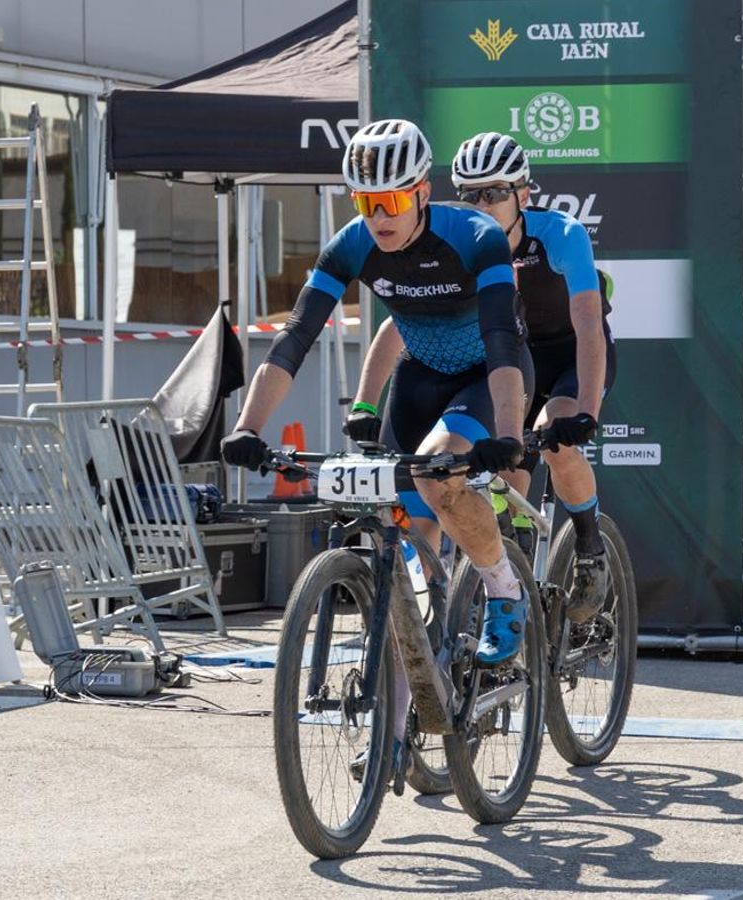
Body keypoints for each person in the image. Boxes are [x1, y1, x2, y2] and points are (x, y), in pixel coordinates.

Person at [220, 119, 535, 667]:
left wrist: (507, 433)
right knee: (403, 518)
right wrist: (248, 426)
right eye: (367, 203)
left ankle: (504, 590)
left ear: (420, 193)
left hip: (485, 375)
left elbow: (503, 340)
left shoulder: (476, 238)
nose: (380, 217)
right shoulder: (353, 244)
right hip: (419, 378)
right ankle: (409, 703)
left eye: (391, 200)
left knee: (442, 480)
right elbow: (295, 337)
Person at [349, 132, 613, 623]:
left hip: (564, 354)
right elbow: (402, 324)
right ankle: (505, 578)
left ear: (524, 195)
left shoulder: (559, 235)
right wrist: (365, 402)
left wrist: (587, 414)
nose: (482, 203)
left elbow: (588, 326)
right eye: (470, 194)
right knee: (500, 477)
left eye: (494, 193)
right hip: (503, 364)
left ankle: (589, 544)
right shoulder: (461, 243)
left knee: (556, 437)